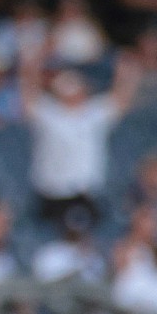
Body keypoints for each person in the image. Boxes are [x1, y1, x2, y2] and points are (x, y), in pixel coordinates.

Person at [24, 57, 137, 223]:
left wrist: (125, 75)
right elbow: (28, 99)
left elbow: (120, 101)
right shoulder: (49, 112)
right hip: (51, 191)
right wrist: (30, 68)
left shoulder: (93, 113)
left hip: (85, 192)